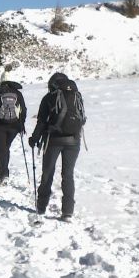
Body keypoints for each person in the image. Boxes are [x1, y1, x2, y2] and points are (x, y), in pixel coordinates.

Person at [28, 72, 85, 221]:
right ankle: (67, 212)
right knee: (68, 175)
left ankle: (41, 207)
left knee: (47, 173)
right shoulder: (76, 95)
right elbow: (82, 119)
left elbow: (41, 122)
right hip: (74, 140)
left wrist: (34, 139)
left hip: (53, 140)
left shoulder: (49, 98)